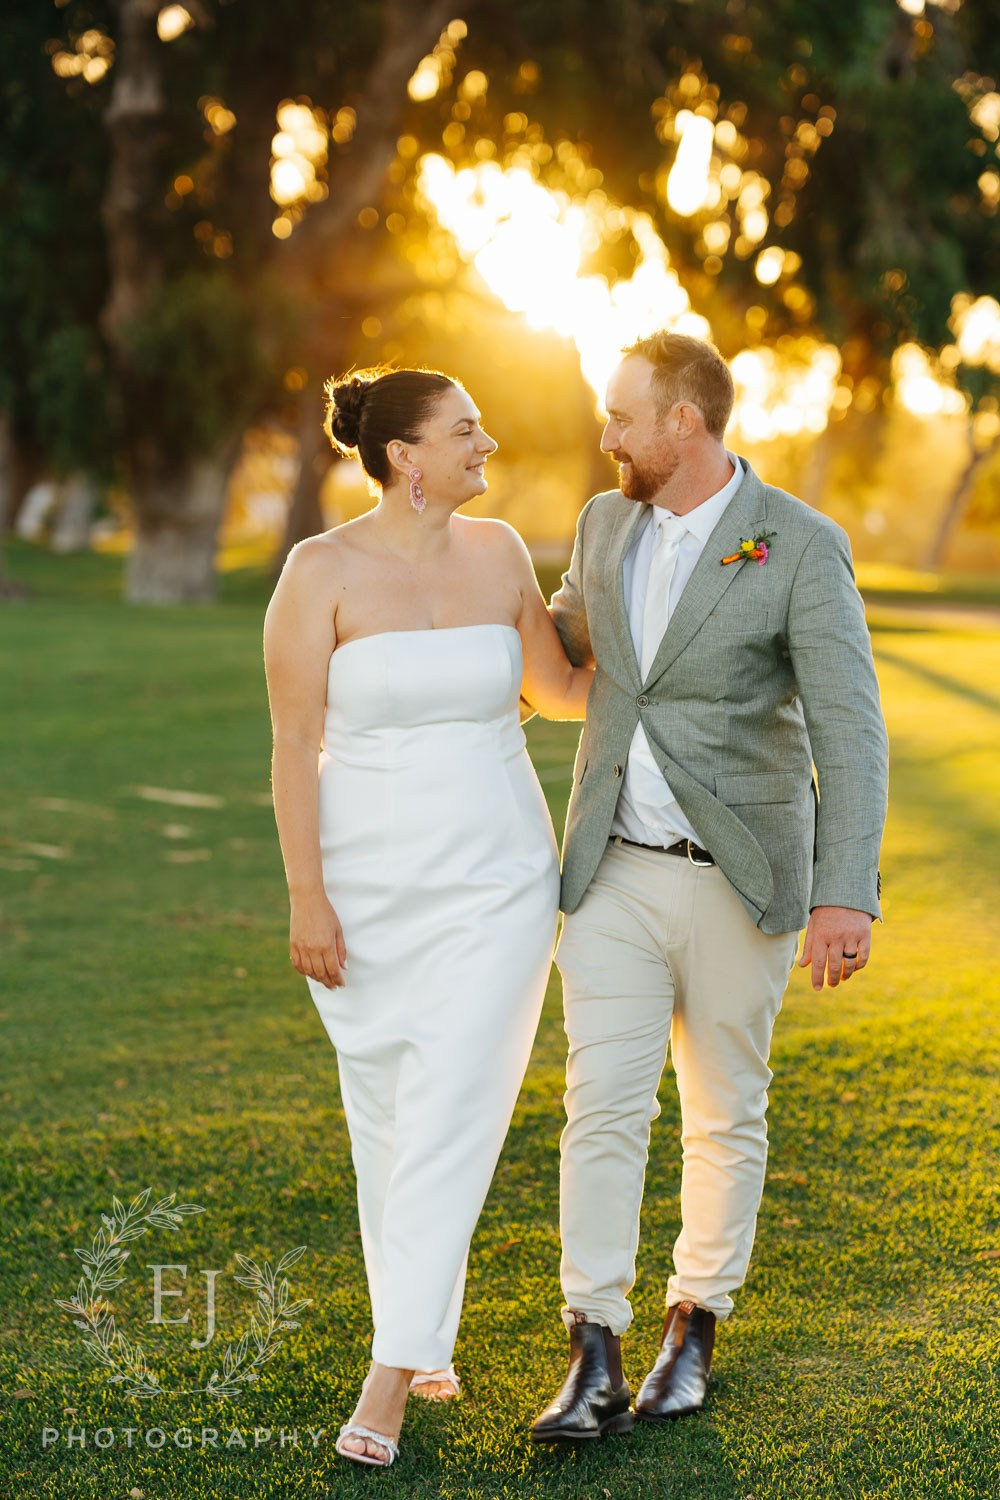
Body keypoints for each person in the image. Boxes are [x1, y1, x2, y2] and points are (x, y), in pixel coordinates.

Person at [528, 332, 889, 1442]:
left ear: (682, 424)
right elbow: (562, 644)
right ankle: (593, 1345)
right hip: (613, 874)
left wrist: (845, 892)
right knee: (602, 1105)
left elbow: (849, 726)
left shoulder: (799, 543)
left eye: (623, 417)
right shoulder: (603, 523)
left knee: (724, 1110)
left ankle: (695, 1323)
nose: (609, 437)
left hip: (742, 879)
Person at [263, 366, 592, 1468]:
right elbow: (289, 747)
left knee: (456, 1101)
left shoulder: (500, 552)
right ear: (405, 456)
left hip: (498, 876)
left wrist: (669, 628)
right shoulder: (317, 574)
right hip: (365, 881)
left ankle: (391, 1373)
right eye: (464, 432)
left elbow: (561, 690)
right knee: (391, 1114)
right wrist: (308, 895)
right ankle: (428, 1330)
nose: (484, 443)